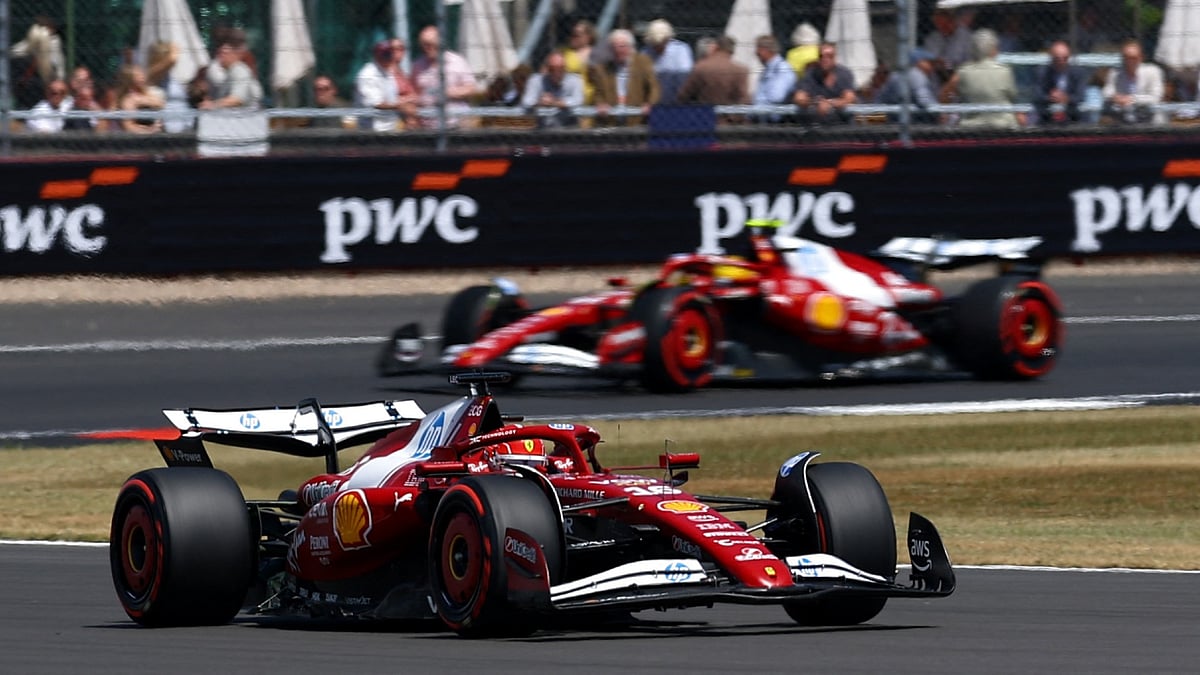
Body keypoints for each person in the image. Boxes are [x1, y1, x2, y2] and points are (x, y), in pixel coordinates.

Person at [944, 28, 1023, 129]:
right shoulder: (1004, 71)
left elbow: (944, 96)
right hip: (1002, 125)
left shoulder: (964, 71)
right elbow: (1013, 97)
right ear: (993, 49)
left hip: (971, 126)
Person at [411, 25, 479, 129]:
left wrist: (449, 92)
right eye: (424, 44)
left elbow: (471, 88)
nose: (427, 48)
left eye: (430, 44)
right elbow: (414, 92)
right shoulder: (418, 65)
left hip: (455, 123)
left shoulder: (457, 61)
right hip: (428, 125)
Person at [592, 28, 660, 126]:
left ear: (630, 47)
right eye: (613, 47)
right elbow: (598, 92)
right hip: (611, 121)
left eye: (622, 46)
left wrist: (650, 104)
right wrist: (600, 103)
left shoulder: (643, 62)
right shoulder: (602, 68)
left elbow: (654, 87)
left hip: (637, 119)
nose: (617, 50)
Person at [676, 34, 749, 116]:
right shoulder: (740, 70)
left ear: (716, 47)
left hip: (704, 117)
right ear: (733, 51)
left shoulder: (701, 67)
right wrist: (733, 118)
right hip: (729, 122)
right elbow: (744, 99)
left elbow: (684, 95)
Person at [1102, 39, 1165, 125]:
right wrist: (1115, 97)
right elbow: (1106, 91)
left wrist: (1132, 99)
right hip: (1123, 119)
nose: (1130, 61)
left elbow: (1156, 97)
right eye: (1126, 57)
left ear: (1141, 58)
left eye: (1133, 58)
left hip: (1150, 119)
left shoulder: (1153, 71)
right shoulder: (1115, 72)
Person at [794, 42, 857, 124]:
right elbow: (799, 98)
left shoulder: (844, 74)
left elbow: (850, 98)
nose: (825, 59)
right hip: (815, 126)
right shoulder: (811, 74)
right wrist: (815, 102)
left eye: (829, 56)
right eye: (821, 56)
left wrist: (830, 103)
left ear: (835, 58)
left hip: (841, 125)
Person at [522, 51, 584, 128]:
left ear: (565, 68)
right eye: (552, 69)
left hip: (568, 130)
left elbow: (578, 101)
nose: (556, 72)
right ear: (546, 68)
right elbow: (527, 101)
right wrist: (539, 102)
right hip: (543, 131)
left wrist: (554, 102)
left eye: (561, 69)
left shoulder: (575, 80)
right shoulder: (536, 80)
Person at [877, 47, 939, 124]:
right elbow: (924, 101)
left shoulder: (896, 75)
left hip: (892, 124)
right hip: (907, 126)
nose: (931, 67)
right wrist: (939, 113)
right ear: (918, 62)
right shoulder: (916, 75)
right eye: (929, 63)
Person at [1033, 40, 1089, 125]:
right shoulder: (1042, 72)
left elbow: (1081, 96)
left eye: (1065, 58)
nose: (1061, 61)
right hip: (1047, 115)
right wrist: (1051, 97)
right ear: (1051, 57)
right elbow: (1037, 95)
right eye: (1057, 58)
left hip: (1072, 115)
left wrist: (1066, 98)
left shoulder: (1078, 72)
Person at [146, 41, 194, 132]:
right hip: (169, 130)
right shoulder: (153, 74)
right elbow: (172, 59)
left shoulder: (169, 76)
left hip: (184, 128)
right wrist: (173, 47)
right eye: (166, 54)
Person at [642, 19, 693, 103]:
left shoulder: (681, 50)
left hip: (676, 102)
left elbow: (684, 78)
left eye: (662, 44)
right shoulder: (645, 52)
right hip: (652, 102)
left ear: (668, 39)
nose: (658, 48)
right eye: (655, 45)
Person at [355, 40, 402, 131]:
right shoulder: (368, 74)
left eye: (389, 54)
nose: (387, 57)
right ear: (376, 55)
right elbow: (377, 104)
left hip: (390, 129)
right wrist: (401, 106)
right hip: (372, 132)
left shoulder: (388, 72)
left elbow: (392, 100)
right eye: (384, 54)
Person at [202, 39, 262, 109]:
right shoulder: (229, 72)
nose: (220, 56)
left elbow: (237, 99)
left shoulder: (239, 71)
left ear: (234, 55)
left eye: (224, 53)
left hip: (248, 117)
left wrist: (212, 105)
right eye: (219, 53)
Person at [750, 34, 795, 122]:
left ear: (766, 50)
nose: (756, 53)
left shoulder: (782, 68)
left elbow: (776, 97)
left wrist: (755, 107)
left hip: (775, 124)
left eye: (758, 49)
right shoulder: (767, 70)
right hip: (761, 120)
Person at [115, 64, 166, 134]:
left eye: (142, 74)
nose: (142, 77)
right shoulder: (128, 100)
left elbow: (160, 103)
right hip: (140, 137)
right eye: (137, 75)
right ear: (130, 80)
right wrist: (149, 131)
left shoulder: (148, 93)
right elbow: (128, 127)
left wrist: (141, 101)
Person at [923, 8, 972, 79]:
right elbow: (929, 60)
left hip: (960, 76)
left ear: (952, 21)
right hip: (938, 75)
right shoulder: (932, 38)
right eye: (939, 25)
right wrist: (937, 62)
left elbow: (970, 62)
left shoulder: (966, 37)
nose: (942, 28)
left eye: (945, 24)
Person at [560, 19, 597, 105]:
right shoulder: (563, 52)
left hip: (592, 102)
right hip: (567, 100)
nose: (572, 38)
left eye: (576, 35)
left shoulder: (598, 54)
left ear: (588, 37)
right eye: (572, 35)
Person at [389, 37, 420, 122]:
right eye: (393, 49)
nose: (398, 51)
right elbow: (388, 99)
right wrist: (409, 99)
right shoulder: (385, 73)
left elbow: (413, 94)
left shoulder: (402, 73)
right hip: (394, 120)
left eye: (401, 48)